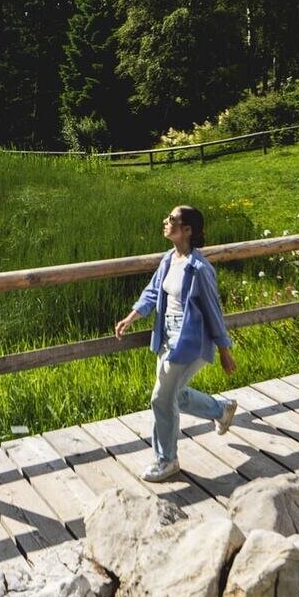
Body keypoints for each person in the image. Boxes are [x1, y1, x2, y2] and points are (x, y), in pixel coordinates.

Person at [112, 204, 238, 482]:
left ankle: (166, 460)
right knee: (174, 395)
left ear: (187, 230)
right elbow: (153, 291)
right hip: (167, 336)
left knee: (161, 398)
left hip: (189, 340)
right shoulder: (170, 259)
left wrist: (224, 350)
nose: (165, 222)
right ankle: (221, 409)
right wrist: (131, 317)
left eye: (171, 219)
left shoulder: (199, 268)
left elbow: (213, 311)